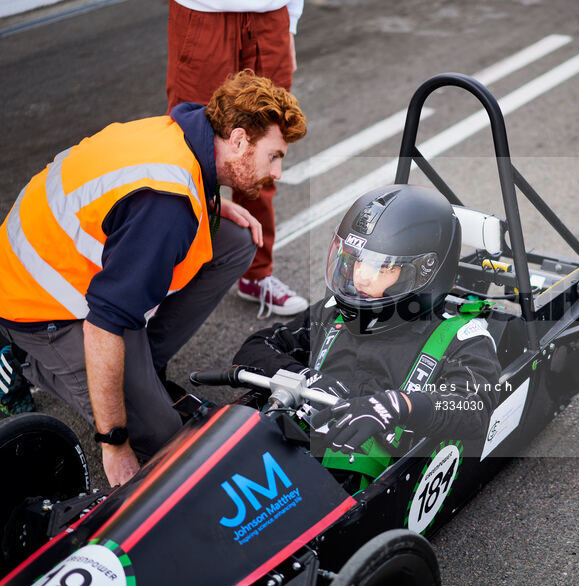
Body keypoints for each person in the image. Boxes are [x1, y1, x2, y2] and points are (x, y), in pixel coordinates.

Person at [0, 70, 307, 487]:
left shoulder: (184, 134)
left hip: (61, 261)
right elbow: (103, 322)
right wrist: (114, 442)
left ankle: (143, 369)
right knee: (167, 442)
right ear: (237, 140)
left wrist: (210, 201)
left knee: (234, 241)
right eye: (274, 156)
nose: (278, 171)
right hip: (38, 304)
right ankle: (21, 360)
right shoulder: (166, 204)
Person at [233, 184, 500, 453]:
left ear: (422, 273)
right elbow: (254, 348)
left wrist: (399, 405)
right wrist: (306, 378)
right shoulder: (331, 312)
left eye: (381, 266)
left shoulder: (464, 339)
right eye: (356, 260)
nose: (360, 276)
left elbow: (472, 408)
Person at [167, 0, 308, 318]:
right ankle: (169, 273)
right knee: (190, 145)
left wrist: (290, 23)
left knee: (265, 151)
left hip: (271, 15)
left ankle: (256, 273)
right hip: (204, 13)